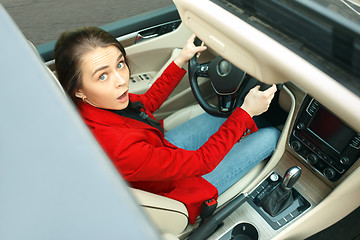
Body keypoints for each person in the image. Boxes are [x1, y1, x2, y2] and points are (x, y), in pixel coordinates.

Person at [54, 26, 280, 224]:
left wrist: (181, 59)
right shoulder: (120, 148)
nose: (121, 79)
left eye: (120, 64)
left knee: (223, 118)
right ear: (78, 90)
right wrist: (245, 112)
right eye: (102, 76)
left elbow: (147, 103)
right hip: (177, 190)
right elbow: (202, 162)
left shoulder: (94, 105)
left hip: (157, 154)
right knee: (270, 135)